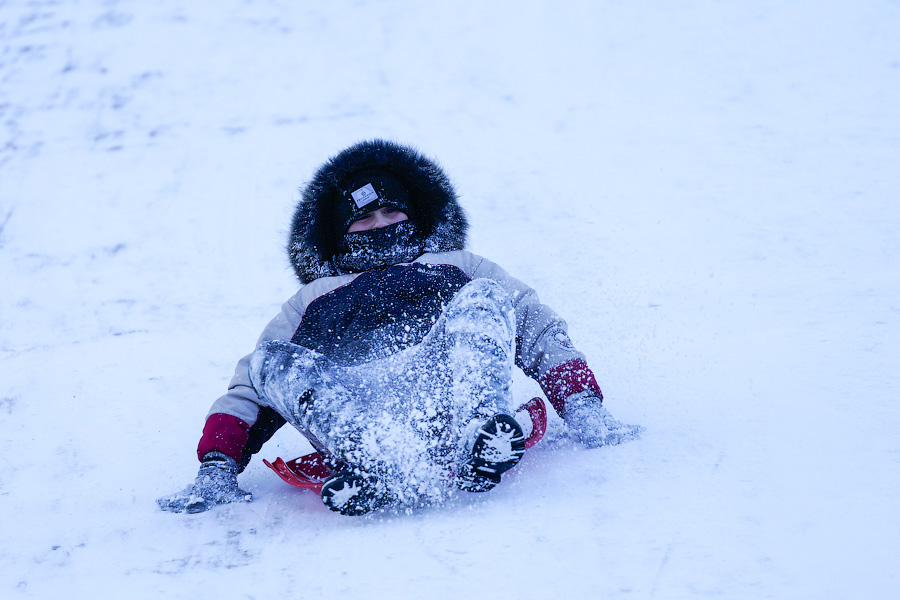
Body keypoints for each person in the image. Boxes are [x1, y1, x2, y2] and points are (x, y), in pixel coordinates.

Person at [157, 139, 640, 516]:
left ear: (414, 213)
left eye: (391, 210)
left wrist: (581, 405)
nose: (379, 222)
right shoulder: (312, 298)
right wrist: (217, 466)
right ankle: (377, 463)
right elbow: (252, 386)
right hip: (359, 417)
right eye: (363, 217)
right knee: (270, 359)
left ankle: (479, 435)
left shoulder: (456, 264)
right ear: (339, 233)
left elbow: (537, 329)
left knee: (489, 297)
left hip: (448, 397)